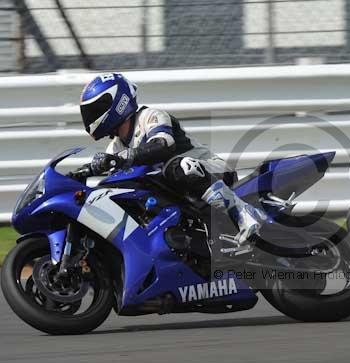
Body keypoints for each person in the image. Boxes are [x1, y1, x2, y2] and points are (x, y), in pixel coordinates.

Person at [79, 72, 266, 245]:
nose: (91, 116)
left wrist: (123, 158)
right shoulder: (115, 147)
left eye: (96, 109)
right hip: (180, 194)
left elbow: (163, 145)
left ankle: (242, 212)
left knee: (178, 167)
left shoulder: (150, 116)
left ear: (118, 102)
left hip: (212, 172)